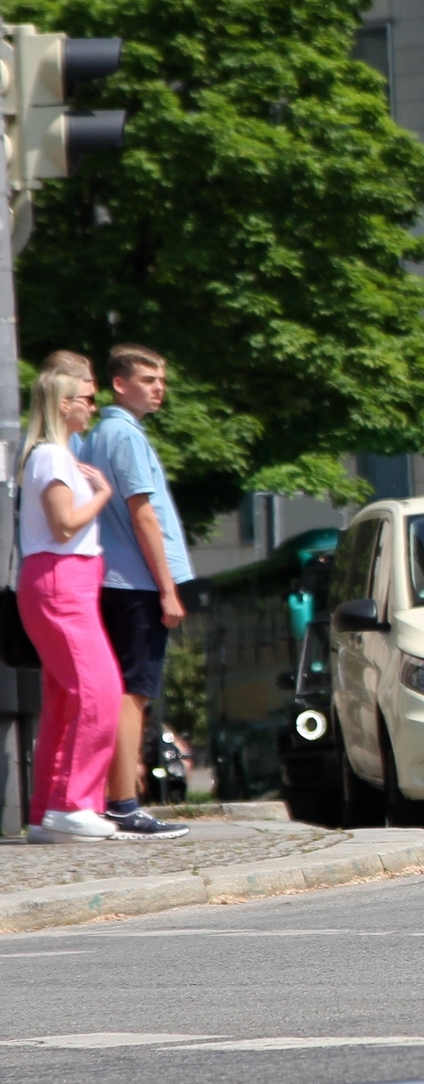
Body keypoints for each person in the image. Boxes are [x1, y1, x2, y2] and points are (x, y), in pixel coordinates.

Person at [80, 345, 194, 839]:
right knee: (134, 693)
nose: (158, 387)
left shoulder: (98, 435)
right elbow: (143, 513)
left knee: (122, 690)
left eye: (161, 378)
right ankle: (123, 803)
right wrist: (167, 588)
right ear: (119, 384)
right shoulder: (123, 436)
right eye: (147, 378)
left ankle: (114, 798)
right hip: (137, 582)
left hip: (116, 580)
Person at [20, 356, 124, 842]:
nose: (92, 406)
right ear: (64, 406)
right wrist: (103, 493)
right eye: (85, 399)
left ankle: (51, 810)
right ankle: (75, 803)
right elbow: (64, 525)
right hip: (63, 580)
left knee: (66, 698)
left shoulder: (50, 454)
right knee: (99, 691)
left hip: (61, 579)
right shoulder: (54, 456)